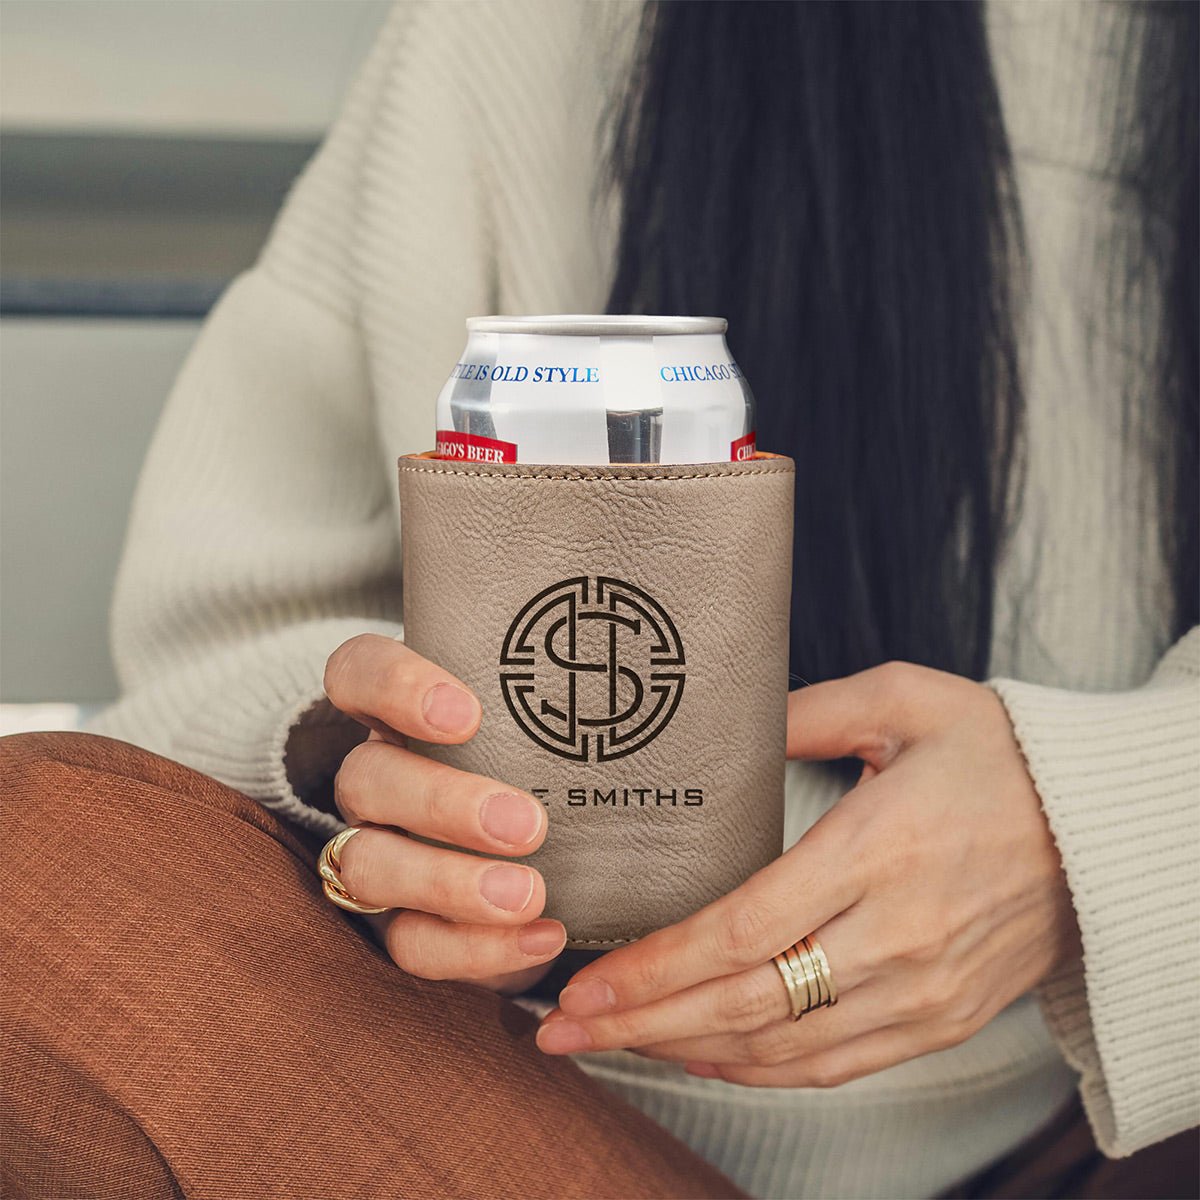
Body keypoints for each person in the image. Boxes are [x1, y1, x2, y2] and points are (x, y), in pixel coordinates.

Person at [2, 1, 1197, 1197]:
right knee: (39, 886)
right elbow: (202, 669)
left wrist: (1088, 836)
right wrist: (356, 762)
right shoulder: (520, 37)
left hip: (1111, 1140)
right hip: (528, 1117)